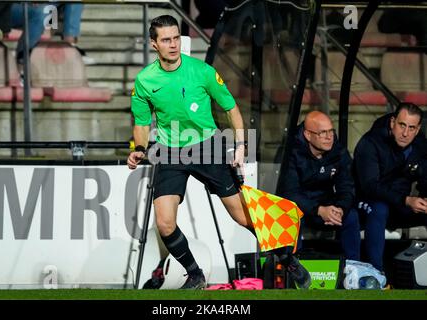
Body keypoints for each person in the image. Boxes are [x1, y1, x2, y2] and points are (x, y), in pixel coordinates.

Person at [127, 15, 310, 289]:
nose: (173, 44)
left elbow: (231, 107)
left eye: (176, 38)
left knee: (240, 216)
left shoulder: (202, 71)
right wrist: (140, 149)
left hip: (208, 146)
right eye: (166, 40)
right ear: (154, 44)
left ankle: (287, 257)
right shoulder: (144, 80)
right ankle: (195, 274)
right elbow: (142, 123)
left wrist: (240, 145)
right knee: (165, 224)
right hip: (169, 151)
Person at [352, 102, 427, 272]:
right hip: (365, 203)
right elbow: (370, 186)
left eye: (411, 127)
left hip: (400, 204)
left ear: (417, 129)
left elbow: (425, 175)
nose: (405, 133)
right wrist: (406, 200)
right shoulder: (370, 143)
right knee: (379, 208)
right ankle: (376, 273)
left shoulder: (420, 145)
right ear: (393, 122)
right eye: (402, 125)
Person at [280, 111, 361, 261]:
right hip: (301, 207)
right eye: (323, 133)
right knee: (291, 216)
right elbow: (289, 193)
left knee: (351, 216)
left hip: (326, 204)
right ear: (308, 135)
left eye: (331, 131)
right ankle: (293, 268)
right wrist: (319, 210)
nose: (329, 137)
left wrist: (341, 209)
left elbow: (347, 186)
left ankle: (353, 268)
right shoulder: (291, 151)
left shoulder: (337, 150)